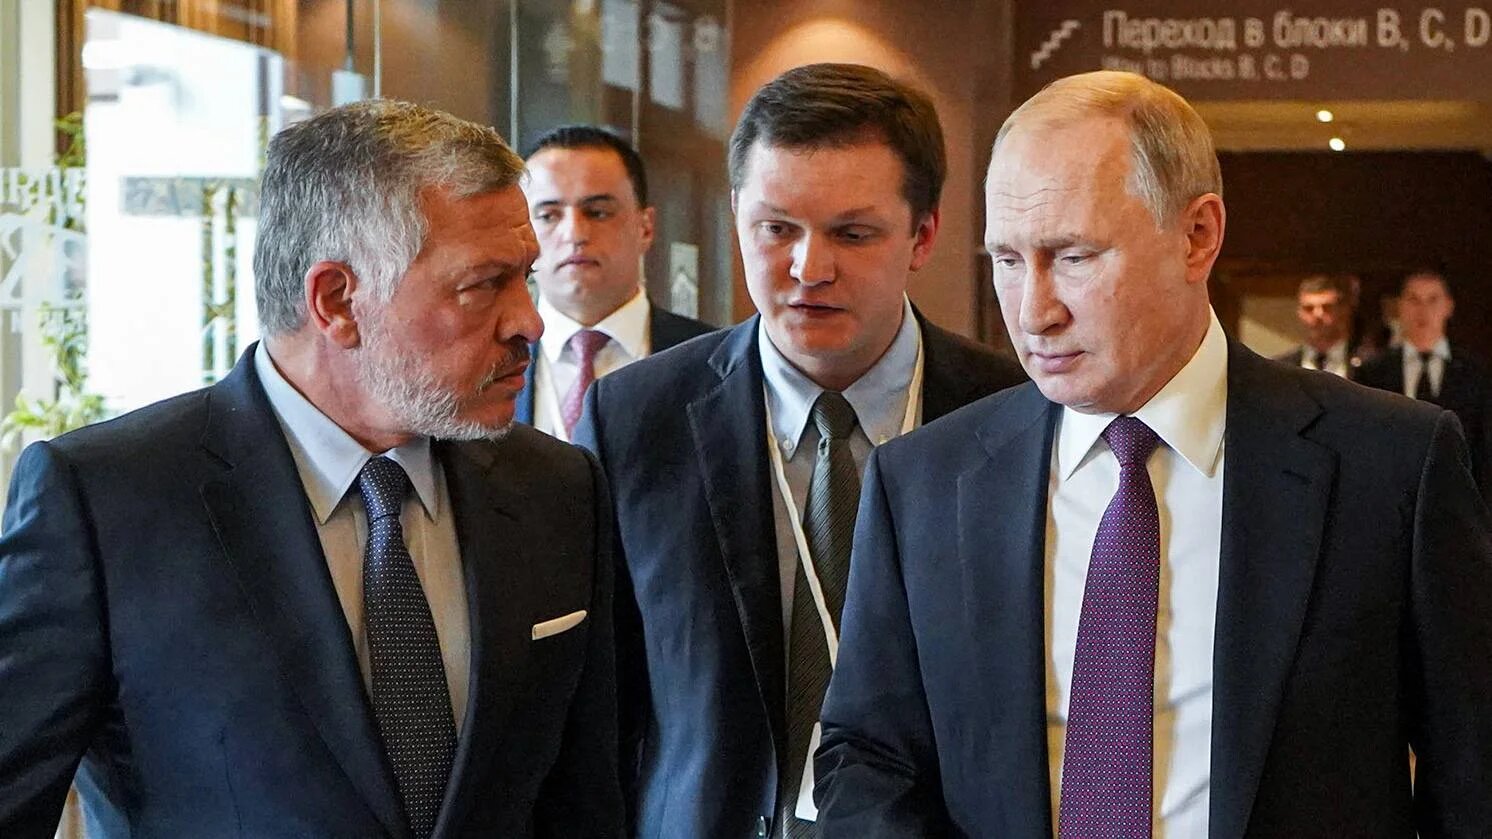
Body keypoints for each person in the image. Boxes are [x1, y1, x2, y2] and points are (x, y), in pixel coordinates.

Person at [816, 70, 1492, 837]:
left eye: (1073, 255)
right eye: (1007, 260)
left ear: (1197, 235)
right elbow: (867, 754)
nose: (1033, 311)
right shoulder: (924, 484)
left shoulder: (1392, 466)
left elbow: (1470, 772)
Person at [0, 100, 622, 838]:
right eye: (484, 284)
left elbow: (583, 801)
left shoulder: (558, 489)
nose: (530, 320)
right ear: (336, 301)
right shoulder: (108, 503)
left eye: (525, 276)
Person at [573, 63, 1026, 838]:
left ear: (924, 235)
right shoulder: (635, 419)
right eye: (776, 228)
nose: (808, 269)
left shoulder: (1011, 415)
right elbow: (595, 710)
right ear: (736, 219)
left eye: (852, 233)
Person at [518, 125, 713, 441]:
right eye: (549, 216)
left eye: (596, 213)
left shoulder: (715, 361)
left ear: (645, 228)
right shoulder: (481, 367)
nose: (574, 235)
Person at [1358, 269, 1492, 497]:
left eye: (1432, 300)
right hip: (1391, 498)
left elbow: (1484, 450)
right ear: (1399, 306)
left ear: (1448, 306)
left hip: (1458, 500)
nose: (1423, 310)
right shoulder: (1372, 373)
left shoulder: (1475, 373)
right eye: (1413, 300)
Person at [1274, 274, 1360, 378]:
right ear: (1299, 313)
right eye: (1309, 308)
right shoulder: (1281, 368)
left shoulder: (1368, 366)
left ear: (1342, 310)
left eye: (1327, 307)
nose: (1318, 315)